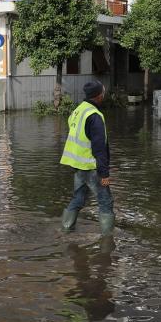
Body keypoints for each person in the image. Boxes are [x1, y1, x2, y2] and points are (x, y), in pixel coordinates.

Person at [60, 81, 114, 235]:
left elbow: (75, 131)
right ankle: (107, 239)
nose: (104, 95)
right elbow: (99, 148)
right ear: (98, 96)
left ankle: (65, 229)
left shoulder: (78, 110)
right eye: (103, 92)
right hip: (91, 167)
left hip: (78, 165)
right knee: (106, 202)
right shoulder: (95, 116)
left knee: (79, 199)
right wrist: (104, 174)